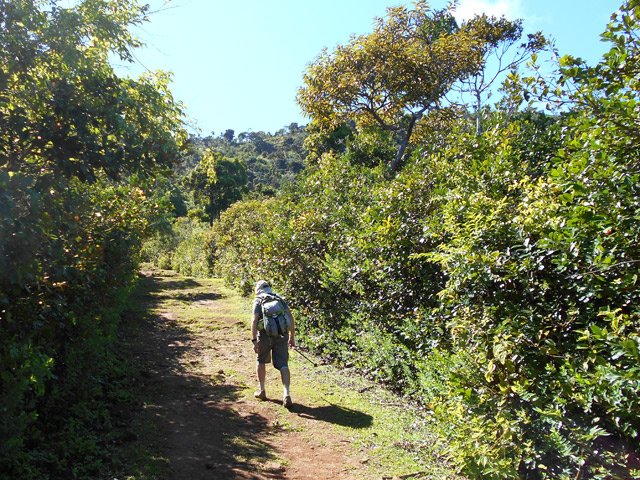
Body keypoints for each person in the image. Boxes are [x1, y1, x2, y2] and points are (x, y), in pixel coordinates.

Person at [251, 280, 295, 408]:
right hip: (281, 335)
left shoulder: (258, 300)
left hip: (264, 336)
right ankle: (286, 394)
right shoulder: (279, 298)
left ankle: (262, 391)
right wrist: (292, 336)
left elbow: (254, 320)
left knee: (261, 361)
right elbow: (290, 317)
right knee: (283, 364)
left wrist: (254, 340)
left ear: (258, 290)